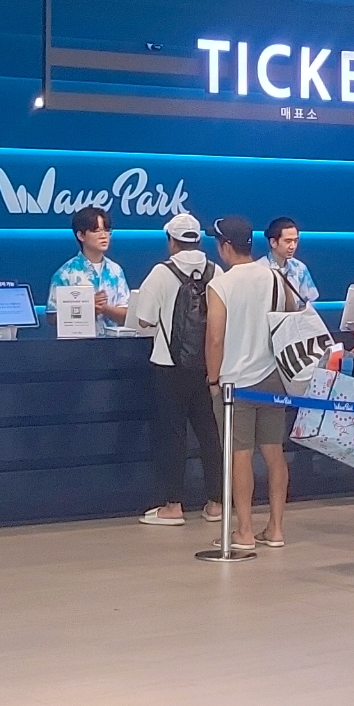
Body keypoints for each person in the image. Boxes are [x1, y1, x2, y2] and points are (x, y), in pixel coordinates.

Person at [205, 214, 292, 547]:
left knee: (239, 455)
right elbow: (290, 318)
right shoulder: (275, 277)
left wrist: (213, 379)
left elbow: (215, 338)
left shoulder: (221, 284)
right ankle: (276, 528)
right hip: (272, 377)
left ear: (226, 246)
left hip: (234, 383)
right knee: (274, 453)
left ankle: (243, 530)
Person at [128, 212, 219, 525]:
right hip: (208, 366)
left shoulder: (161, 272)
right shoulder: (215, 271)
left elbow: (144, 319)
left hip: (169, 365)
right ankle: (216, 503)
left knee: (172, 436)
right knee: (210, 434)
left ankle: (173, 506)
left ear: (171, 241)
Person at [49, 204, 129, 331]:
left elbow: (126, 314)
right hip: (79, 342)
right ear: (81, 236)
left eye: (106, 230)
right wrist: (87, 306)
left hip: (113, 341)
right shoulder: (65, 273)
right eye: (96, 231)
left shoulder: (116, 271)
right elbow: (52, 317)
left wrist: (105, 309)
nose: (103, 235)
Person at [267, 215, 318, 305]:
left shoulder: (300, 268)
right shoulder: (260, 269)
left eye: (295, 241)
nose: (293, 246)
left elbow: (308, 303)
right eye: (288, 241)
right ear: (273, 242)